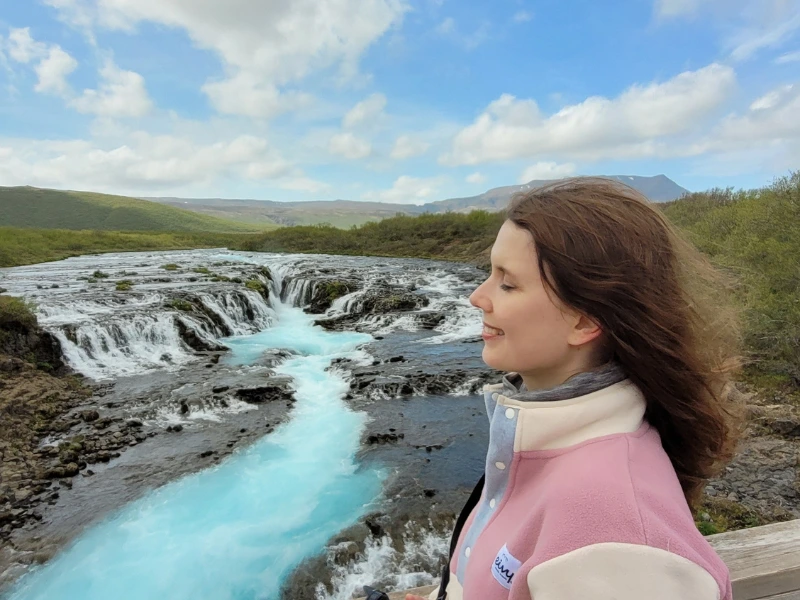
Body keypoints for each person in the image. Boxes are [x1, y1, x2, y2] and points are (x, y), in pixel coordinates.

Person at [406, 177, 742, 600]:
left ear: (584, 320)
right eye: (488, 274)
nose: (477, 297)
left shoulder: (619, 540)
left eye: (507, 283)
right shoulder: (541, 444)